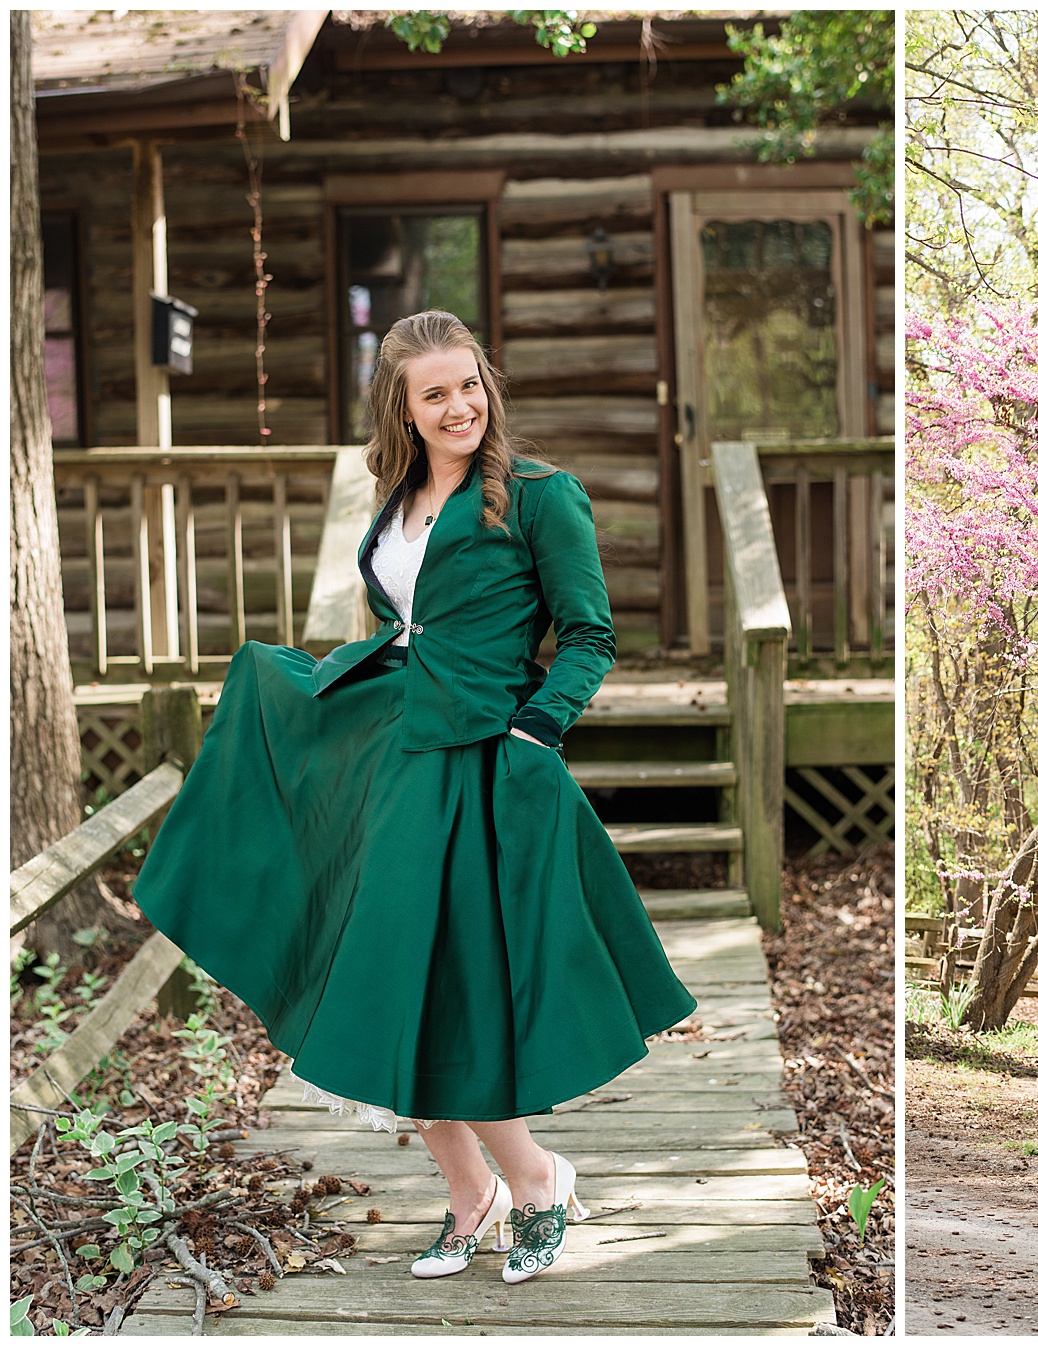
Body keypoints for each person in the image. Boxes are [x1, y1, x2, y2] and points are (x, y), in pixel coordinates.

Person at [130, 310, 697, 1284]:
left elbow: (590, 636)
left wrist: (536, 726)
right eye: (433, 393)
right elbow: (409, 625)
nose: (458, 406)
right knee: (391, 980)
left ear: (488, 381)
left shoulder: (538, 498)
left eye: (468, 384)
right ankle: (469, 1193)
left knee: (457, 991)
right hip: (395, 758)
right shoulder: (394, 501)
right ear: (401, 405)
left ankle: (538, 1182)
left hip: (482, 768)